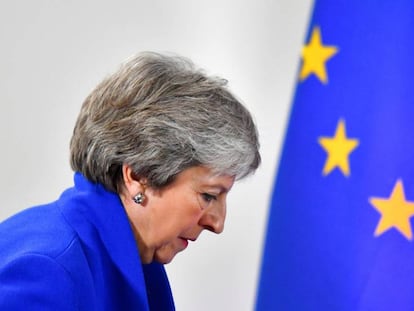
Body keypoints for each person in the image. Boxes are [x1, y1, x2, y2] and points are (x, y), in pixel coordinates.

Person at [0, 52, 260, 310]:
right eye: (209, 195)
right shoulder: (49, 272)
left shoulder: (128, 259)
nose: (217, 223)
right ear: (138, 176)